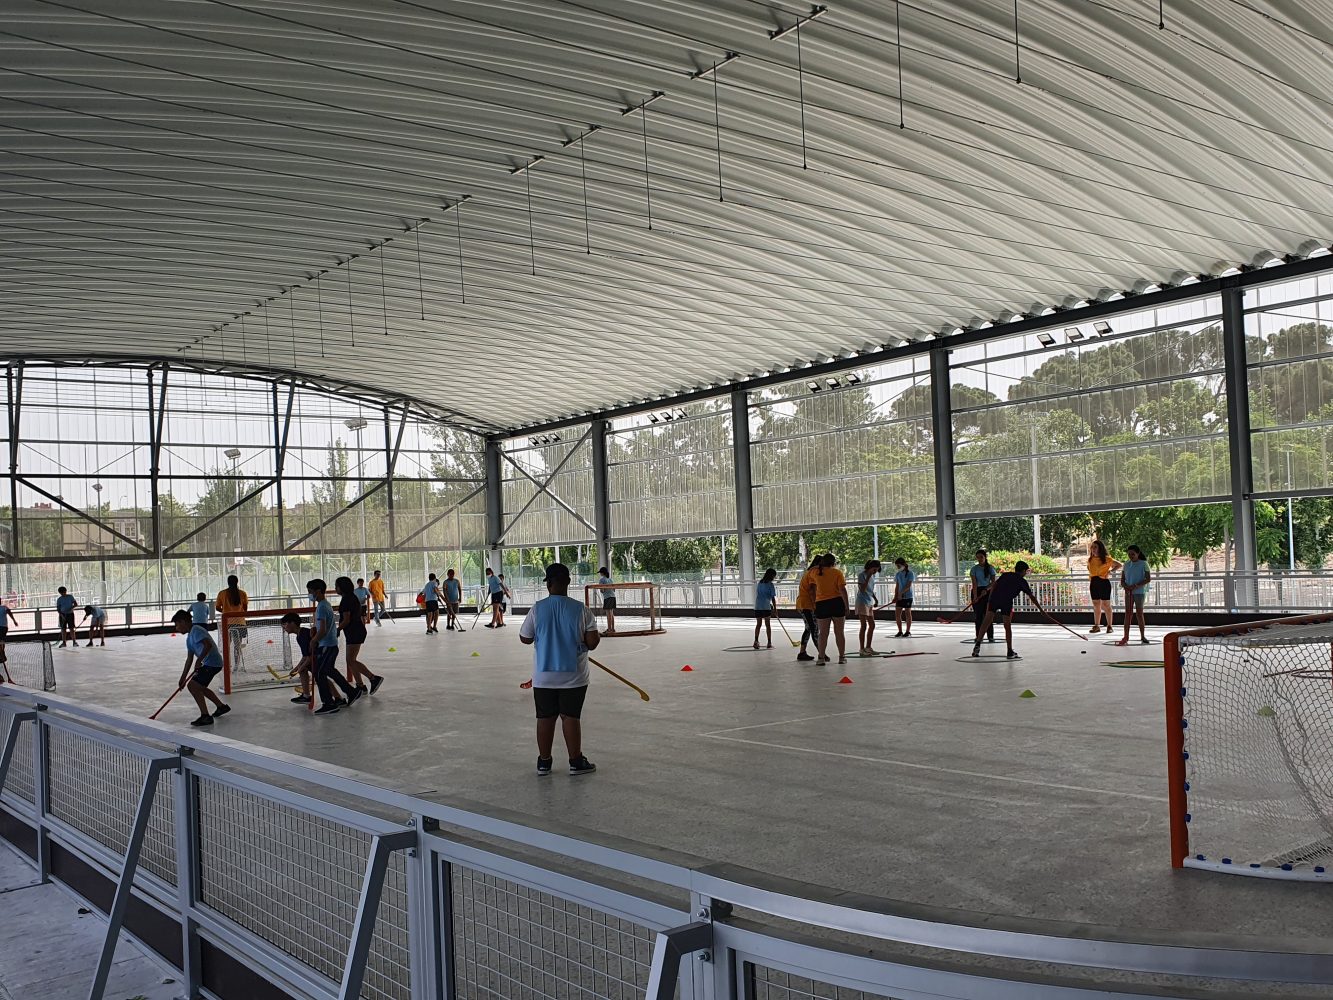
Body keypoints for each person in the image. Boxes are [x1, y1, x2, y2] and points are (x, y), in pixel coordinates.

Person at [518, 563, 600, 776]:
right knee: (570, 717)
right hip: (574, 676)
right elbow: (592, 642)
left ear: (548, 584)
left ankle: (544, 763)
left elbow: (525, 637)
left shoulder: (538, 608)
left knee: (545, 718)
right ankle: (575, 761)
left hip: (544, 675)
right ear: (568, 582)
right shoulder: (581, 609)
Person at [972, 561, 1049, 660]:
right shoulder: (1022, 581)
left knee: (986, 621)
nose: (1026, 573)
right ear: (1023, 571)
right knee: (1007, 626)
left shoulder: (1006, 575)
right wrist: (1041, 610)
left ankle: (977, 646)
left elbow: (994, 585)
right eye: (1026, 571)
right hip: (1006, 601)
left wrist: (987, 593)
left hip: (994, 599)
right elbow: (1032, 597)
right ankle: (1009, 651)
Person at [170, 609, 231, 727]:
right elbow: (189, 659)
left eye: (177, 625)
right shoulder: (189, 639)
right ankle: (221, 707)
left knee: (193, 686)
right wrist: (182, 678)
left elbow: (208, 645)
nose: (176, 628)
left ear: (183, 622)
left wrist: (199, 660)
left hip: (212, 663)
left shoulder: (196, 630)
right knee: (199, 687)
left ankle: (205, 716)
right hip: (209, 664)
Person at [308, 578, 359, 715]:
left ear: (318, 591)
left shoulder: (322, 607)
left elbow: (323, 630)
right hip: (330, 644)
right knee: (329, 670)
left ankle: (329, 703)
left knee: (319, 673)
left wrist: (314, 640)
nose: (310, 595)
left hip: (327, 645)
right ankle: (351, 692)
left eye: (311, 592)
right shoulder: (324, 605)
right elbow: (323, 626)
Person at [336, 575, 382, 694]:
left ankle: (373, 678)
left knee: (351, 660)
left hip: (354, 632)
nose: (336, 589)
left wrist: (337, 629)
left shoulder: (346, 600)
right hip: (355, 631)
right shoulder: (352, 597)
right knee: (351, 660)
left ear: (342, 587)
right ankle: (360, 685)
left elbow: (346, 620)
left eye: (337, 586)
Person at [812, 553, 849, 666]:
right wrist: (847, 606)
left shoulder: (815, 572)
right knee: (839, 632)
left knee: (823, 633)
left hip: (822, 604)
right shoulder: (837, 572)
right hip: (837, 603)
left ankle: (821, 658)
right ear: (833, 562)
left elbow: (811, 583)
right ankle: (842, 657)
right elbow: (842, 590)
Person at [1117, 545, 1152, 646]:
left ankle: (1143, 636)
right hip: (1129, 592)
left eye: (1133, 554)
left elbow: (1148, 579)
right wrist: (1125, 586)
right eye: (1129, 554)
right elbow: (1122, 579)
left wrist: (1136, 586)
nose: (1131, 556)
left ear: (1138, 553)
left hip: (1139, 592)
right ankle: (1126, 636)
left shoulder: (1144, 564)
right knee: (1128, 614)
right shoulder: (1126, 564)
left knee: (1139, 613)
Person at [280, 612, 316, 706]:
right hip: (314, 659)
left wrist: (299, 669)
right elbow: (305, 656)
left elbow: (310, 657)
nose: (284, 628)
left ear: (292, 623)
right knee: (303, 670)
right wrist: (296, 669)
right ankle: (306, 696)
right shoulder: (300, 635)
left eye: (285, 624)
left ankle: (337, 698)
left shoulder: (304, 635)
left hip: (319, 659)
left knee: (322, 679)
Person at [1087, 540, 1122, 635]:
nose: (1093, 549)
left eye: (1095, 547)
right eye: (1092, 547)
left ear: (1100, 548)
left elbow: (1119, 565)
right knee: (1096, 604)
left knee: (1106, 604)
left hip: (1103, 582)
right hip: (1094, 582)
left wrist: (1110, 571)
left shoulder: (1107, 559)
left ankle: (1109, 626)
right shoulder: (1090, 559)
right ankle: (1096, 626)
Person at [794, 555, 820, 663]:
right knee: (814, 628)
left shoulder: (809, 572)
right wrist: (816, 605)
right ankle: (822, 653)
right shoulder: (814, 573)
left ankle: (802, 652)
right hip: (807, 605)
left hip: (803, 604)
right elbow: (813, 591)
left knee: (809, 628)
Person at [215, 575, 248, 657]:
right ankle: (237, 663)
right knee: (237, 646)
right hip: (240, 622)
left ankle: (227, 662)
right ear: (237, 582)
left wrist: (225, 611)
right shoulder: (242, 593)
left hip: (227, 623)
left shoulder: (222, 593)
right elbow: (245, 609)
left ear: (228, 582)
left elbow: (217, 607)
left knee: (227, 645)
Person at [969, 550, 997, 643]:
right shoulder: (974, 569)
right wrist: (975, 596)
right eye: (978, 557)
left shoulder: (990, 568)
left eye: (981, 557)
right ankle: (978, 636)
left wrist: (986, 589)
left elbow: (993, 583)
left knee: (988, 615)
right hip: (977, 592)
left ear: (985, 557)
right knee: (978, 616)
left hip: (987, 592)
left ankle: (990, 636)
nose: (979, 559)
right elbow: (974, 583)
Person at [855, 559, 882, 655]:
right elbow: (862, 589)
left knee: (872, 625)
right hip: (862, 601)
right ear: (869, 567)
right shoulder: (861, 575)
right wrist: (868, 577)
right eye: (874, 570)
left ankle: (868, 647)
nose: (875, 572)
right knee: (863, 625)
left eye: (876, 570)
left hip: (869, 602)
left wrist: (875, 599)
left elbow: (870, 589)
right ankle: (861, 649)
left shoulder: (872, 576)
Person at [753, 568, 777, 649]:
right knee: (768, 625)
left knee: (758, 624)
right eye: (774, 576)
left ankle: (756, 641)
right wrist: (775, 609)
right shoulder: (770, 585)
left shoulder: (760, 583)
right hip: (766, 607)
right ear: (771, 576)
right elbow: (773, 598)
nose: (774, 578)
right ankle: (769, 643)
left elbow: (759, 594)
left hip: (758, 606)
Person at [892, 558, 915, 637]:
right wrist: (895, 596)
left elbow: (908, 586)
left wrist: (901, 593)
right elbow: (897, 586)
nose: (898, 567)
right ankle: (900, 631)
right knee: (897, 614)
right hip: (899, 597)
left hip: (908, 596)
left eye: (899, 566)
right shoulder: (898, 574)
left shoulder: (910, 573)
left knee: (908, 613)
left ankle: (908, 631)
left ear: (904, 564)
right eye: (897, 566)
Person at [596, 566, 617, 635]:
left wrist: (602, 590)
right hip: (613, 597)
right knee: (612, 614)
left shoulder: (602, 580)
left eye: (600, 572)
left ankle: (609, 630)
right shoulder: (610, 579)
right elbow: (614, 589)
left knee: (608, 614)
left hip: (607, 598)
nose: (600, 574)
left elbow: (602, 590)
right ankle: (612, 629)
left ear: (602, 573)